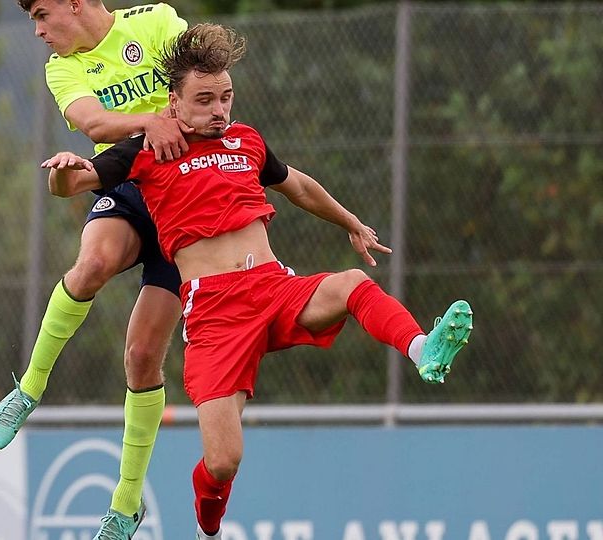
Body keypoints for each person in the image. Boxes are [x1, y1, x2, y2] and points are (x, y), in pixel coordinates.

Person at [41, 23, 474, 539]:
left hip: (271, 287)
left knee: (351, 284)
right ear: (172, 104)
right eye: (204, 100)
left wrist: (352, 223)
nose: (219, 109)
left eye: (225, 97)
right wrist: (63, 169)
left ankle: (423, 349)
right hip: (215, 315)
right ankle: (209, 514)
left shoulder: (245, 140)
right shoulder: (144, 151)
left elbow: (300, 188)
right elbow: (72, 184)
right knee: (223, 462)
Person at [0, 1, 192, 538]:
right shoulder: (64, 65)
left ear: (75, 3)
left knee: (143, 357)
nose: (38, 31)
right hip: (124, 182)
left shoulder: (157, 22)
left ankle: (124, 506)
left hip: (188, 197)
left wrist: (182, 121)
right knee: (93, 263)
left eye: (43, 15)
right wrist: (150, 121)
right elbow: (94, 122)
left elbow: (207, 85)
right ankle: (28, 389)